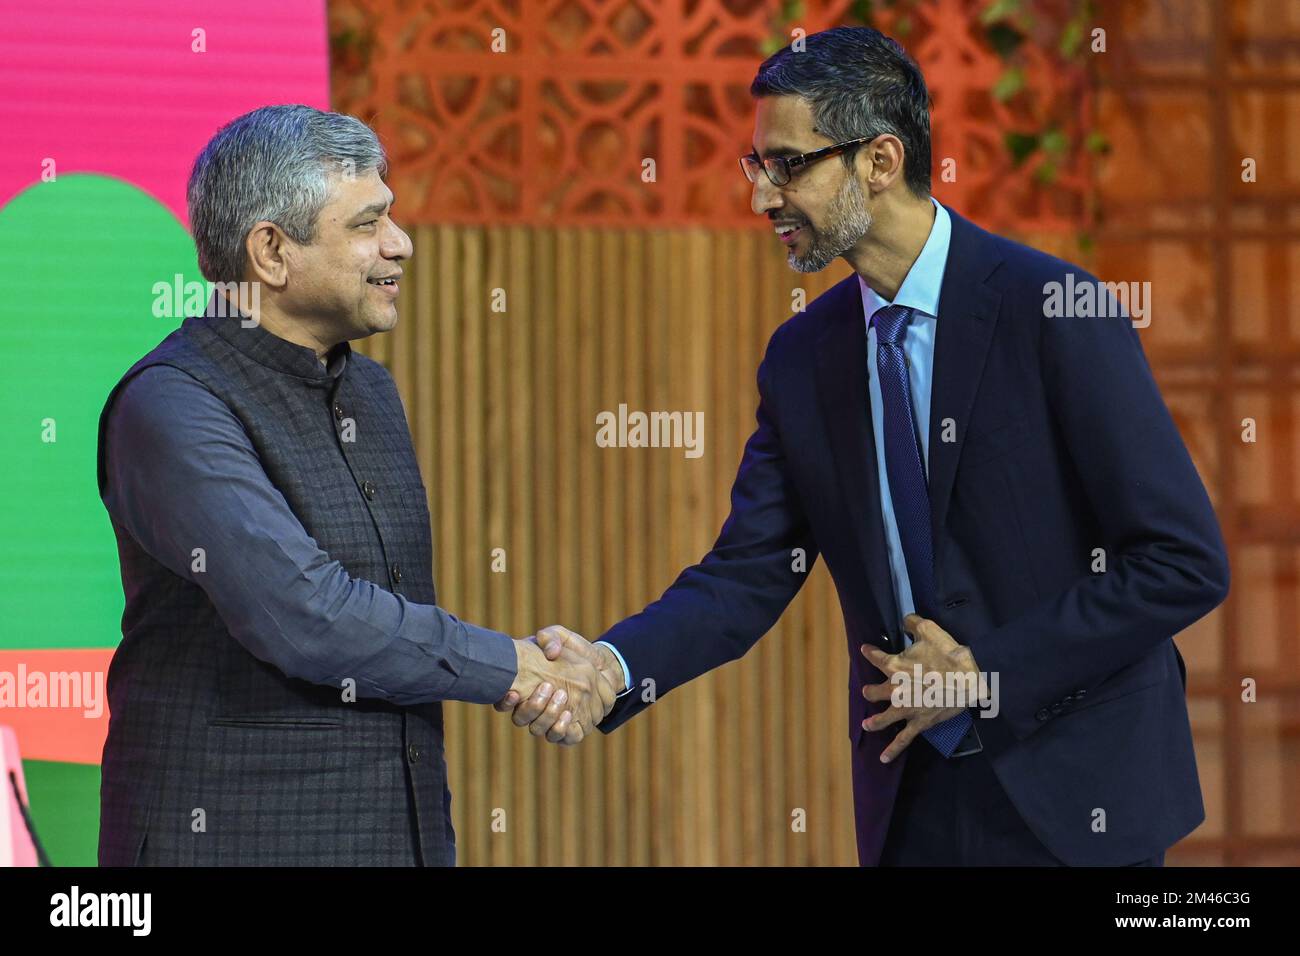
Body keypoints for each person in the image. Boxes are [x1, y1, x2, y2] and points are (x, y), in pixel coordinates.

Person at [503, 27, 1228, 866]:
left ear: (880, 161)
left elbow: (1182, 561)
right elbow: (745, 577)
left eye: (788, 166)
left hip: (1081, 801)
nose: (761, 198)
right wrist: (611, 667)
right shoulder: (805, 358)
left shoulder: (1055, 308)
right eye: (756, 168)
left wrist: (985, 671)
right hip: (913, 802)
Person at [96, 104, 614, 866]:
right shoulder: (172, 405)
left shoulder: (369, 391)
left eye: (392, 217)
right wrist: (517, 667)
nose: (400, 245)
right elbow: (304, 612)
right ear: (271, 252)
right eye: (368, 224)